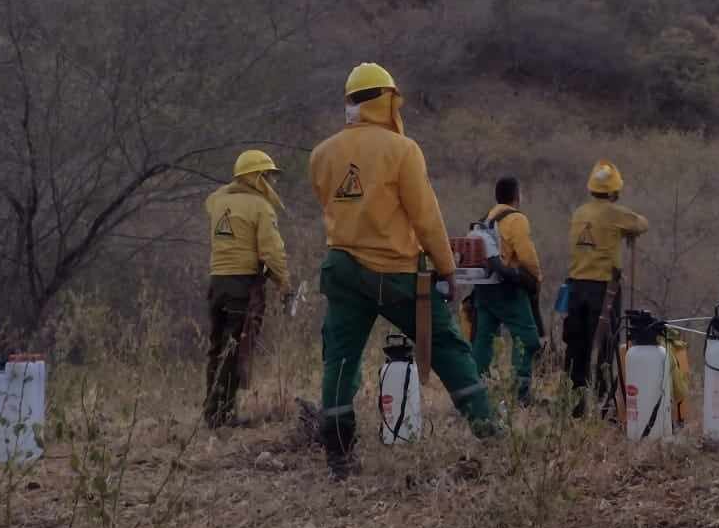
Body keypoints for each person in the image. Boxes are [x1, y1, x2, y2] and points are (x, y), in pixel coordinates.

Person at [309, 63, 495, 479]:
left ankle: (338, 456)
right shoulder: (402, 150)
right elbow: (425, 218)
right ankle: (492, 434)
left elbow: (332, 204)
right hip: (394, 271)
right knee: (447, 346)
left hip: (340, 268)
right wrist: (448, 270)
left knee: (339, 360)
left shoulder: (322, 154)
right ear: (388, 100)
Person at [202, 149, 291, 428]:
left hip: (217, 284)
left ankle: (212, 410)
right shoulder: (260, 207)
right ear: (257, 177)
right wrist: (284, 284)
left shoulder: (218, 201)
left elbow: (211, 201)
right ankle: (223, 416)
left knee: (217, 348)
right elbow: (272, 252)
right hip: (243, 286)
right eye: (269, 176)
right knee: (234, 349)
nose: (273, 183)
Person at [563, 161, 649, 415]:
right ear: (614, 191)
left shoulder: (579, 213)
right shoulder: (615, 214)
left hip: (576, 287)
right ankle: (603, 401)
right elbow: (641, 223)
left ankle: (574, 400)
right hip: (604, 290)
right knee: (604, 346)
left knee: (577, 345)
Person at [469, 176, 543, 403]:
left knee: (483, 339)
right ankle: (520, 394)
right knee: (527, 338)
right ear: (516, 196)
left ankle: (474, 390)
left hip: (483, 289)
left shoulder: (485, 219)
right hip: (508, 288)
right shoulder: (516, 219)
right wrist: (535, 277)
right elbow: (526, 255)